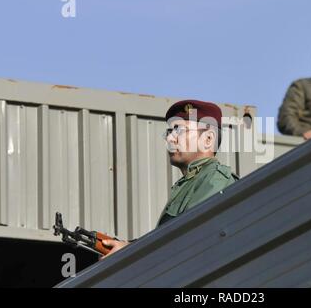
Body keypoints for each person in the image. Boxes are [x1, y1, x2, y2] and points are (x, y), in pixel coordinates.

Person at [101, 100, 239, 258]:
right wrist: (129, 247)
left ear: (208, 139)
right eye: (170, 132)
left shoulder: (215, 179)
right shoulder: (190, 183)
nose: (170, 139)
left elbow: (186, 240)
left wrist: (132, 252)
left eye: (180, 131)